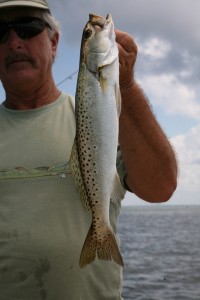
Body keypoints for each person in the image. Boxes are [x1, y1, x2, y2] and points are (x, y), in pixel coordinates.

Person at [0, 0, 177, 299]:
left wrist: (128, 85)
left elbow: (160, 188)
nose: (14, 42)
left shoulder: (104, 118)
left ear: (54, 42)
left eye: (27, 29)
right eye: (1, 33)